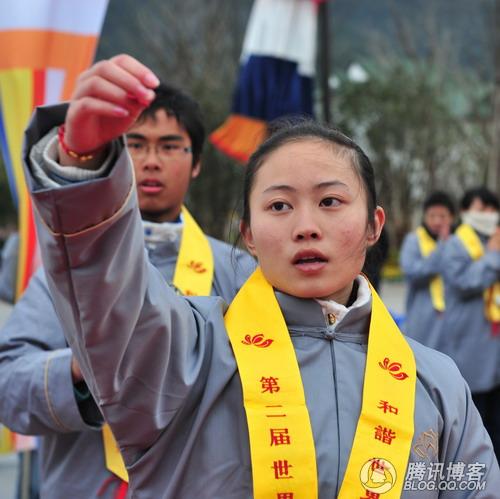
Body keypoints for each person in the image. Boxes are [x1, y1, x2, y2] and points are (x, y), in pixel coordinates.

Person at [23, 55, 500, 498]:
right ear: (248, 235)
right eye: (279, 205)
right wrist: (82, 165)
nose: (306, 225)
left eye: (330, 201)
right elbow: (107, 291)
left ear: (374, 225)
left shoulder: (435, 381)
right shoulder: (187, 355)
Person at [0, 82, 255, 499]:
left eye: (170, 146)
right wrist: (82, 370)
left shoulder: (239, 271)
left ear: (196, 163)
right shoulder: (67, 270)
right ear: (115, 155)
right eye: (135, 145)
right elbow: (7, 384)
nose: (151, 161)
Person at [436, 187, 500, 460]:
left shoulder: (492, 240)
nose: (488, 214)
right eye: (481, 208)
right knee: (474, 418)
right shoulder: (455, 244)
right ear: (464, 211)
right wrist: (493, 256)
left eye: (491, 209)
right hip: (470, 342)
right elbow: (464, 283)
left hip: (493, 341)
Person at [399, 191, 455, 347]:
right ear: (424, 216)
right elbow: (412, 273)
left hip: (451, 315)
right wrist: (442, 246)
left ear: (452, 218)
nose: (437, 221)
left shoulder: (457, 242)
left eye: (442, 216)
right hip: (422, 317)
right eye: (432, 216)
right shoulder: (413, 240)